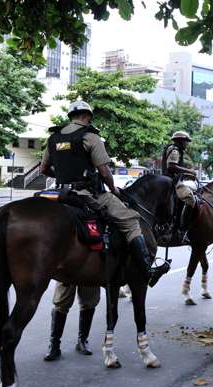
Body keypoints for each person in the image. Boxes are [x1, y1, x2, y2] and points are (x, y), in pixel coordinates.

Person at [40, 101, 169, 360]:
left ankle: (54, 345)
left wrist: (65, 175)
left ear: (70, 117)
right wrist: (112, 189)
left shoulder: (54, 138)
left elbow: (44, 169)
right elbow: (104, 169)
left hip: (62, 193)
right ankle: (147, 266)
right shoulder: (90, 137)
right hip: (88, 193)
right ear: (86, 117)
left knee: (63, 294)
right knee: (131, 219)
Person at [161, 131, 198, 242]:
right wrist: (189, 170)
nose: (187, 144)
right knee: (190, 199)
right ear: (180, 141)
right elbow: (171, 166)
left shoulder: (175, 149)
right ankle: (182, 230)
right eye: (186, 141)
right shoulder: (175, 150)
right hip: (172, 182)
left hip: (173, 179)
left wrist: (187, 174)